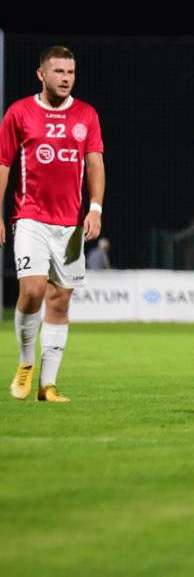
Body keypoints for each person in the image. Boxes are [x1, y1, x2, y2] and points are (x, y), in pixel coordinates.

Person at [1, 46, 105, 403]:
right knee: (31, 290)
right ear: (41, 74)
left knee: (60, 301)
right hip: (29, 218)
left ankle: (48, 385)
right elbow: (3, 165)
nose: (65, 78)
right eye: (59, 71)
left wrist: (95, 209)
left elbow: (94, 165)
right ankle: (26, 363)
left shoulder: (86, 115)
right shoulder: (20, 112)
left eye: (71, 72)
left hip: (70, 224)